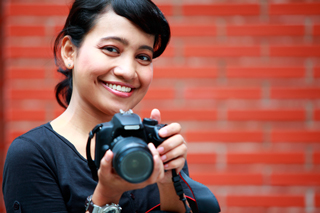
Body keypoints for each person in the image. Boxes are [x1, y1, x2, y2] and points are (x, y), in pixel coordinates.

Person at [2, 0, 220, 212]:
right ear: (69, 51)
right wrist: (106, 195)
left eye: (143, 56)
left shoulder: (157, 146)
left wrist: (168, 183)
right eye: (111, 49)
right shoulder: (33, 154)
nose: (127, 71)